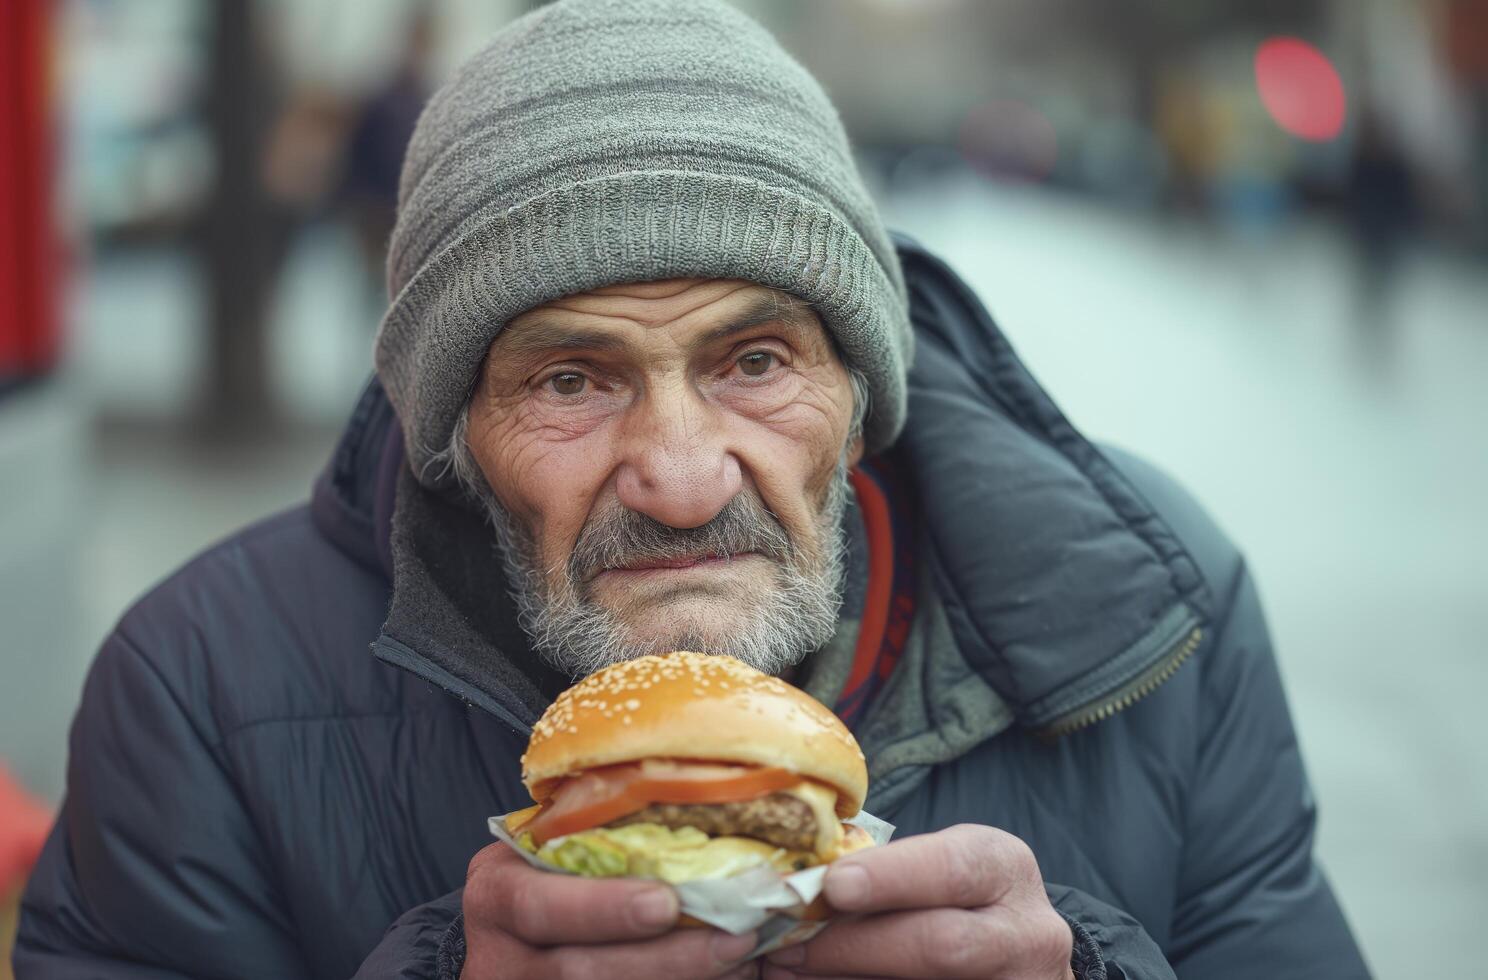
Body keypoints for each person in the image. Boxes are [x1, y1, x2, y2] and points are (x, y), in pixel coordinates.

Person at [14, 1, 1370, 977]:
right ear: (452, 436)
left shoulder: (1156, 612)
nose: (676, 477)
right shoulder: (198, 688)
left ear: (861, 397)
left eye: (758, 359)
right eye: (569, 381)